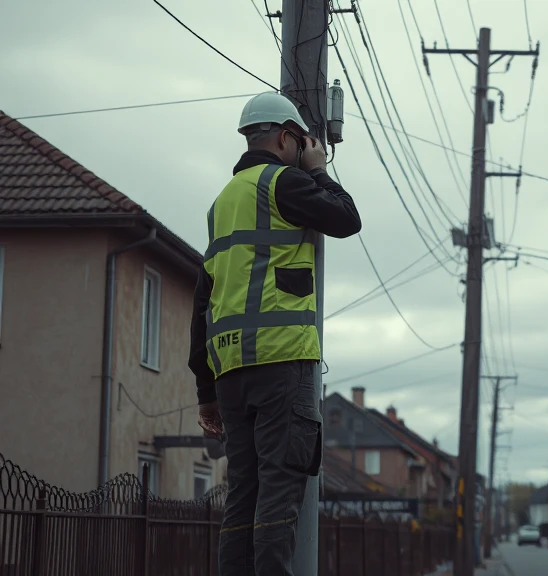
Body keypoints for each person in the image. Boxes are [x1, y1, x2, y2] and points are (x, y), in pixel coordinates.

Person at [188, 91, 362, 576]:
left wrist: (205, 391)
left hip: (230, 374)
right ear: (287, 136)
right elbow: (347, 218)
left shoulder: (222, 202)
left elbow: (202, 300)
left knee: (243, 495)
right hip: (281, 364)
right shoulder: (282, 182)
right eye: (300, 140)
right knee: (279, 494)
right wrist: (319, 167)